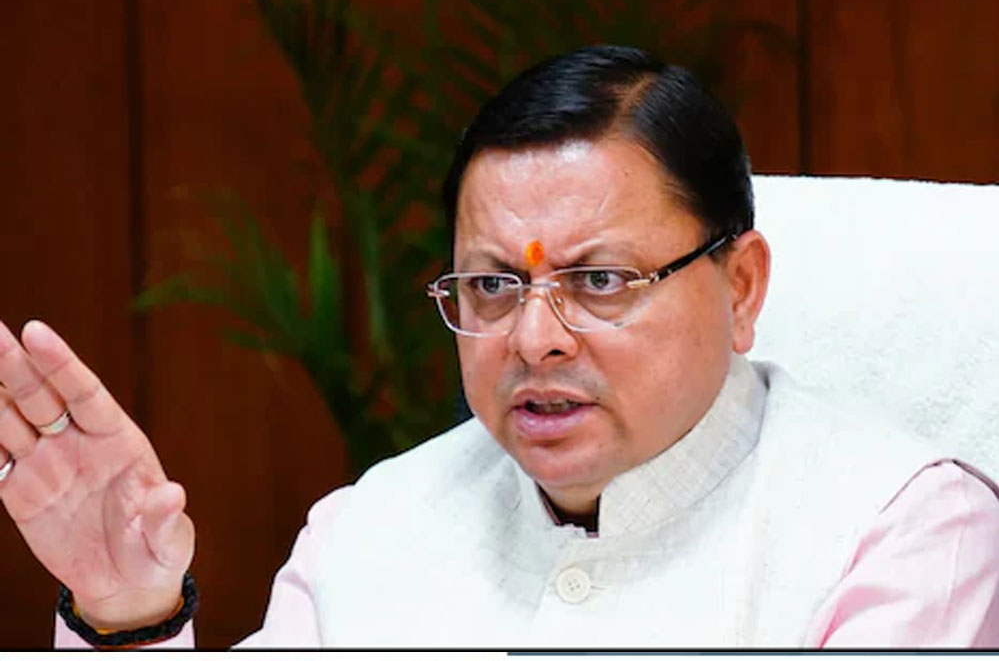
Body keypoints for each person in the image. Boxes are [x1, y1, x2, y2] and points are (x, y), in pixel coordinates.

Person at [1, 46, 997, 649]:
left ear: (740, 288)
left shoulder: (900, 532)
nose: (533, 339)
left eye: (599, 282)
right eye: (492, 286)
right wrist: (126, 614)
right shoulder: (370, 530)